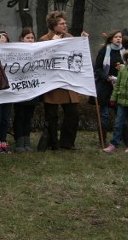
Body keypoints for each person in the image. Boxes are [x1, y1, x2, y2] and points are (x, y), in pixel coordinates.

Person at [39, 11, 81, 150]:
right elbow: (42, 60)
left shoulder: (69, 37)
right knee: (51, 116)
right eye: (62, 23)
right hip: (52, 84)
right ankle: (53, 143)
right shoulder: (44, 40)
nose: (65, 25)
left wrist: (82, 42)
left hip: (68, 83)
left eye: (65, 23)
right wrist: (53, 44)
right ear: (54, 26)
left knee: (73, 114)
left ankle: (67, 142)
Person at [94, 30, 125, 145]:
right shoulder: (104, 51)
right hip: (105, 87)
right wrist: (107, 77)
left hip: (120, 87)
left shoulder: (124, 51)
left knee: (120, 115)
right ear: (111, 39)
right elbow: (97, 69)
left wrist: (124, 68)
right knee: (104, 115)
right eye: (116, 37)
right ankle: (102, 140)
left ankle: (119, 139)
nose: (118, 39)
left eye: (120, 37)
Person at [12, 28, 39, 152]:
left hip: (32, 90)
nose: (30, 40)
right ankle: (19, 142)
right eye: (28, 37)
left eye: (32, 38)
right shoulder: (16, 51)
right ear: (22, 39)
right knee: (20, 115)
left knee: (28, 116)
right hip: (19, 90)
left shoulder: (38, 52)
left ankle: (26, 141)